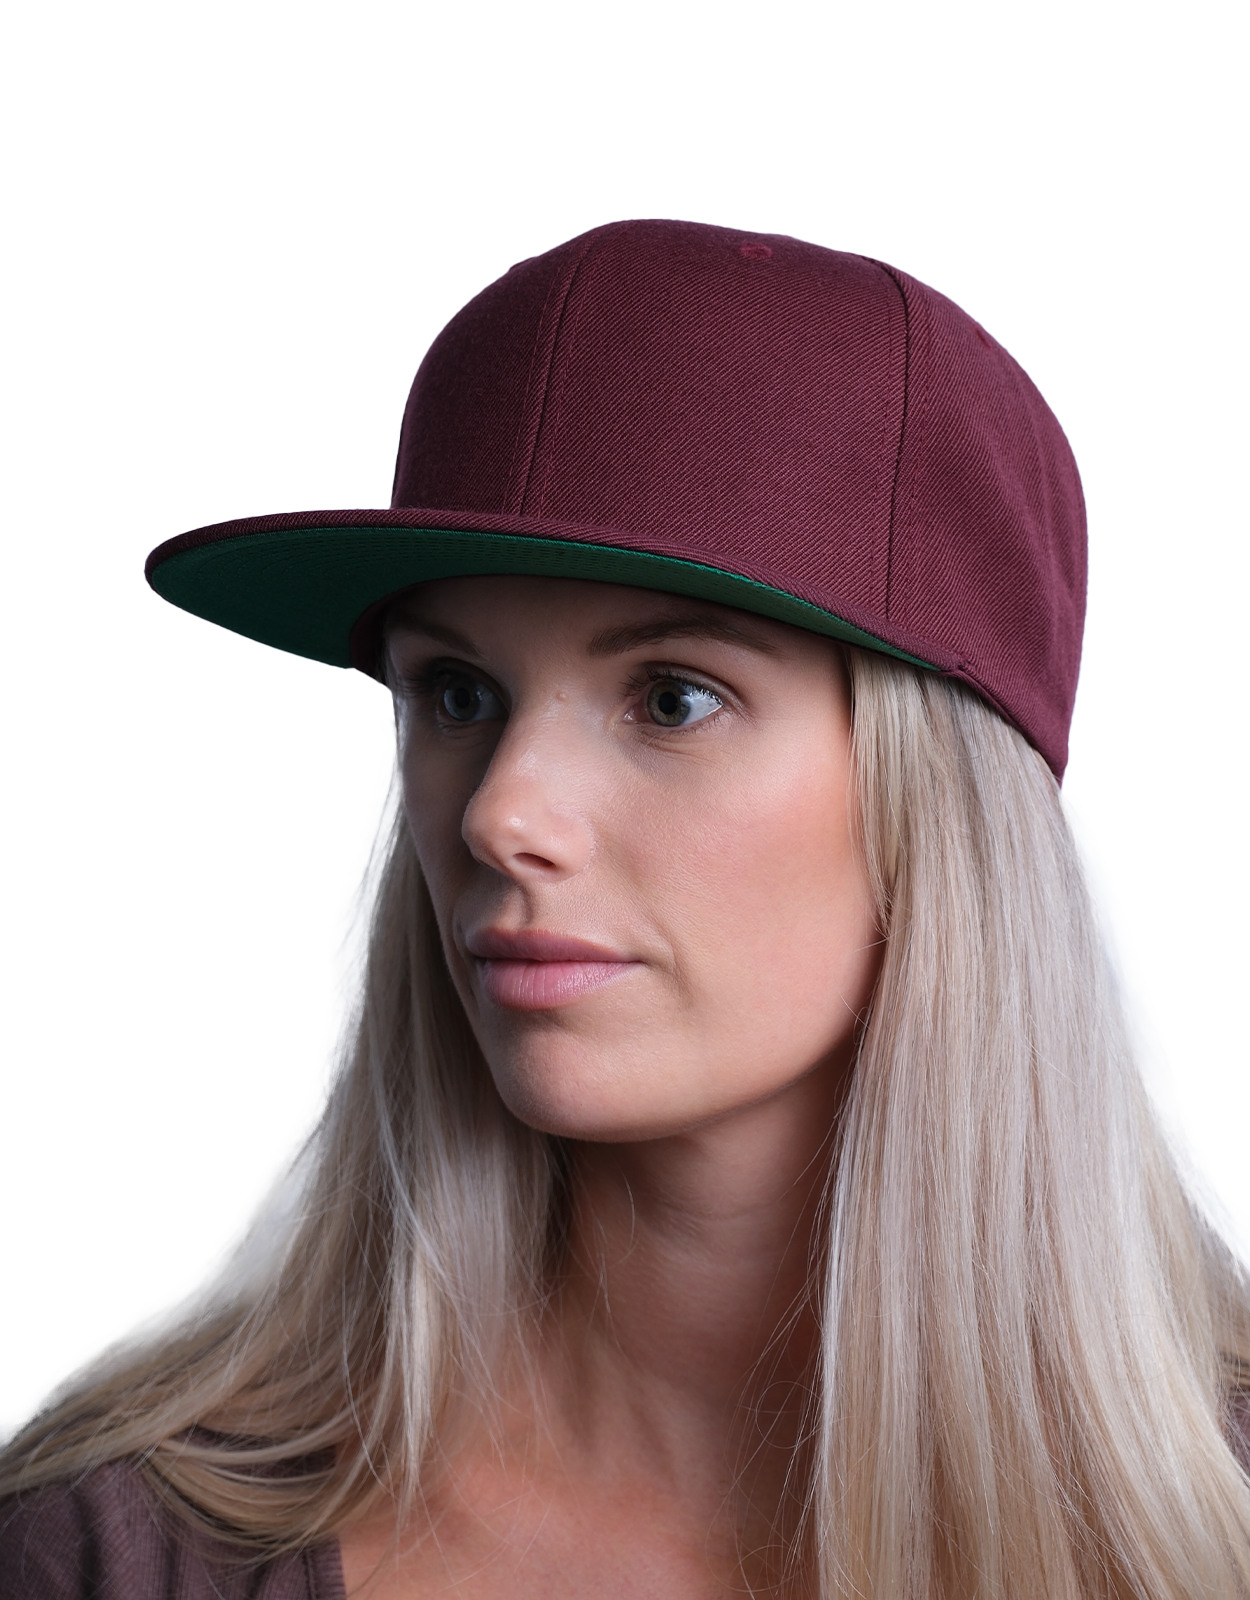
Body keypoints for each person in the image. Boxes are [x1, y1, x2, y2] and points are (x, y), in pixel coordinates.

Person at [3, 218, 1249, 1600]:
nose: (499, 812)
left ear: (939, 807)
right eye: (456, 693)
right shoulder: (110, 1558)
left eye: (672, 696)